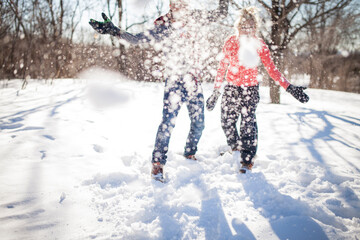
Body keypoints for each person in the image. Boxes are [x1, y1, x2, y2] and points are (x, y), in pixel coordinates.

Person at [89, 0, 229, 182]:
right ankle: (158, 163)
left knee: (199, 123)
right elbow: (137, 39)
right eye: (176, 4)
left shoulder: (195, 19)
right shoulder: (164, 27)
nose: (180, 7)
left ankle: (190, 152)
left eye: (183, 3)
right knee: (168, 123)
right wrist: (114, 31)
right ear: (171, 6)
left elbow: (221, 13)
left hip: (194, 82)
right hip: (174, 82)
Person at [206, 7, 309, 173]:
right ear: (238, 27)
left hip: (250, 89)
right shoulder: (230, 42)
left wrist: (288, 87)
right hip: (231, 88)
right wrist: (216, 91)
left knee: (248, 124)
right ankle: (236, 148)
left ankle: (247, 159)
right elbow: (222, 67)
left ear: (255, 29)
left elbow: (272, 70)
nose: (247, 30)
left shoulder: (260, 45)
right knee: (226, 122)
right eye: (243, 27)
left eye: (250, 27)